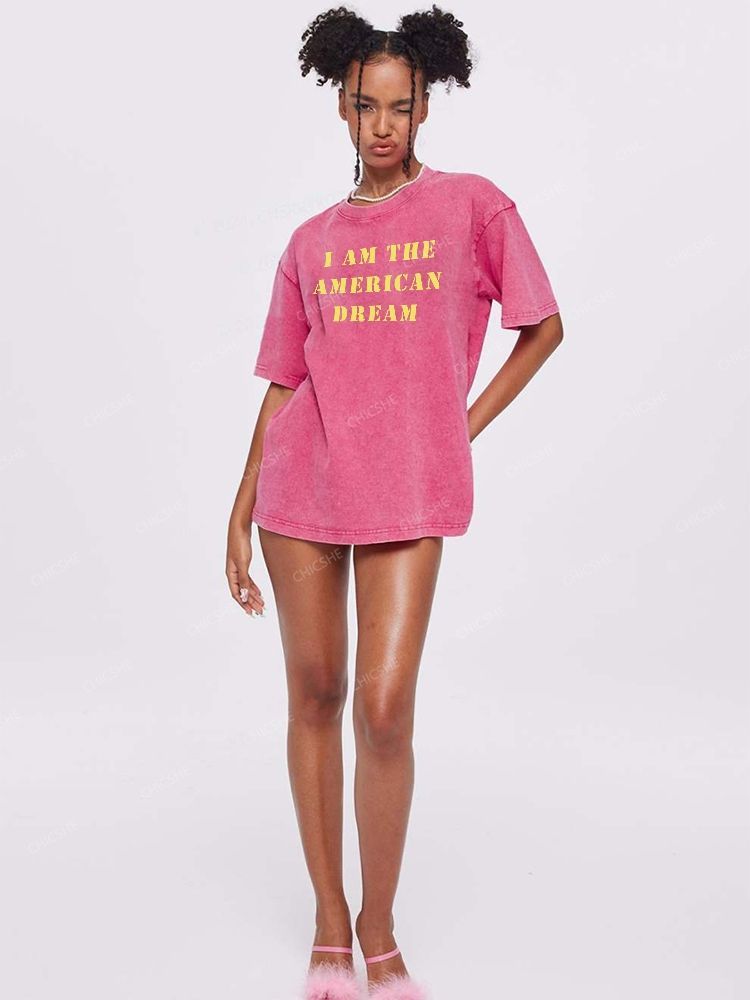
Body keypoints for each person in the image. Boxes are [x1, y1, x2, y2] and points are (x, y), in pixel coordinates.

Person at [225, 7, 564, 999]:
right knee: (315, 692)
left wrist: (460, 426)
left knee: (382, 707)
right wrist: (239, 505)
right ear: (341, 106)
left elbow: (542, 326)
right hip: (300, 486)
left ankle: (379, 924)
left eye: (400, 107)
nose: (382, 125)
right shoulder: (310, 240)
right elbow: (284, 382)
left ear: (424, 108)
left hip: (410, 486)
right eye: (365, 105)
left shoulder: (472, 206)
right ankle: (330, 919)